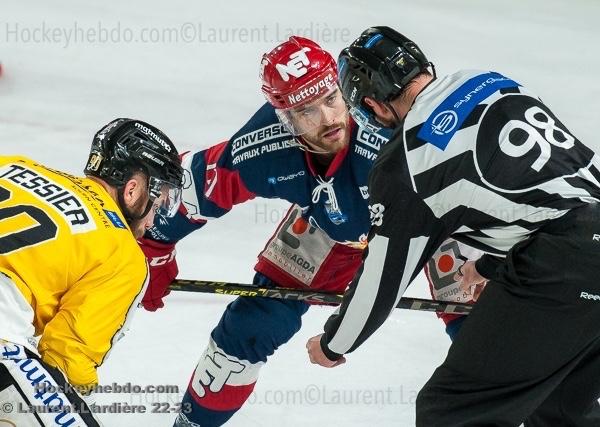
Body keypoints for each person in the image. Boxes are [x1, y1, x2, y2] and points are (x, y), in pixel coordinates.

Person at [306, 26, 600, 426]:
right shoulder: (487, 81)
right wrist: (489, 266)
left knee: (449, 413)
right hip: (580, 251)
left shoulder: (407, 160)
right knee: (558, 408)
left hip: (565, 266)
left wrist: (335, 341)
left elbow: (382, 279)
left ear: (374, 105)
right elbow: (546, 192)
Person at [139, 35, 395, 427]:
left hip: (428, 224)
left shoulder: (388, 132)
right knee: (252, 326)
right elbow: (190, 185)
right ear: (285, 117)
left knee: (477, 321)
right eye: (307, 110)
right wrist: (155, 246)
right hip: (331, 227)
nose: (328, 119)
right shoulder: (264, 146)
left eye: (331, 99)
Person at [0, 118, 183, 426]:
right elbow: (67, 360)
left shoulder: (13, 165)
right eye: (158, 204)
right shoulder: (122, 251)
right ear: (132, 189)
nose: (153, 221)